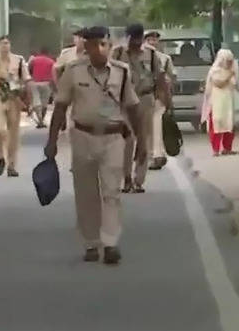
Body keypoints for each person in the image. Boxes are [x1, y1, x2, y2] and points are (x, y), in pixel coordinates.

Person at [45, 26, 146, 265]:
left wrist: (142, 141)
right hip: (82, 136)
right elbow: (61, 106)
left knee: (112, 192)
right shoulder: (73, 71)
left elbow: (132, 107)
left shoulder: (121, 72)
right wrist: (52, 141)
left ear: (110, 46)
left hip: (113, 137)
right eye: (94, 45)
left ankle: (110, 243)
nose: (100, 49)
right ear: (86, 47)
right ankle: (91, 242)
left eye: (104, 44)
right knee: (86, 192)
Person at [111, 24, 168, 193]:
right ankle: (126, 178)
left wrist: (164, 98)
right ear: (126, 37)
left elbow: (160, 77)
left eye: (138, 39)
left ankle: (138, 180)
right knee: (125, 141)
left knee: (144, 141)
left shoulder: (150, 54)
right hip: (123, 101)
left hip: (145, 99)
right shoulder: (118, 53)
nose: (135, 43)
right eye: (132, 39)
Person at [0, 36, 30, 177]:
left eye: (7, 43)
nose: (5, 46)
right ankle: (0, 158)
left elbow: (26, 80)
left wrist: (28, 99)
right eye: (2, 43)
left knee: (13, 134)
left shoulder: (19, 61)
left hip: (14, 98)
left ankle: (11, 166)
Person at [144, 30, 175, 170]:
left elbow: (171, 76)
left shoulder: (165, 58)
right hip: (142, 97)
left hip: (158, 97)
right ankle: (148, 155)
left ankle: (157, 155)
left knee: (157, 126)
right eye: (149, 39)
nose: (152, 42)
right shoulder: (138, 58)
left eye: (154, 40)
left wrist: (168, 96)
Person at [202, 48, 239, 156]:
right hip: (216, 100)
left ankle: (227, 148)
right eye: (226, 60)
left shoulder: (232, 71)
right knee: (217, 123)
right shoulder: (215, 71)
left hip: (228, 100)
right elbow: (219, 83)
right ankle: (216, 149)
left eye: (230, 60)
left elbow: (235, 84)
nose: (228, 63)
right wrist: (229, 75)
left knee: (229, 124)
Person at [27, 47, 56, 128]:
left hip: (35, 82)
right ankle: (42, 120)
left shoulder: (34, 60)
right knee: (44, 103)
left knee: (36, 102)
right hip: (47, 83)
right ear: (48, 53)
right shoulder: (51, 61)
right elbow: (54, 73)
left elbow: (29, 69)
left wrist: (31, 78)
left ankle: (40, 120)